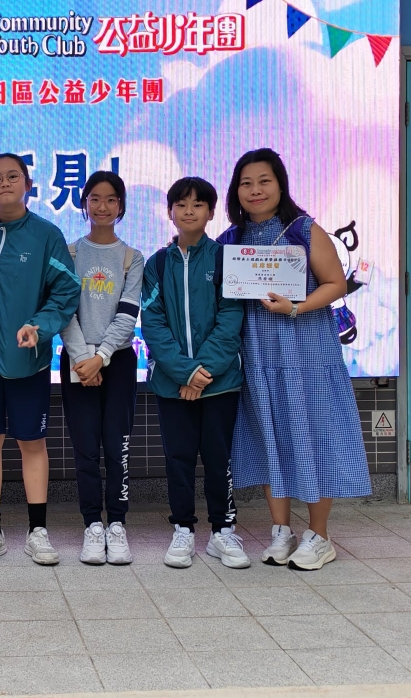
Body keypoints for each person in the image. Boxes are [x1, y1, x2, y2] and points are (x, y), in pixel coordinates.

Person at [220, 148, 370, 570]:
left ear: (280, 184)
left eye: (264, 181)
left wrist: (295, 307)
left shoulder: (303, 229)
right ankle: (281, 531)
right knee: (271, 439)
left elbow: (335, 282)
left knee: (315, 437)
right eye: (246, 183)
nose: (255, 190)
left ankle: (320, 536)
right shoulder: (231, 240)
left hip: (308, 354)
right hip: (259, 358)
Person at [0, 153, 81, 566]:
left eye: (13, 176)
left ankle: (38, 531)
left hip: (28, 360)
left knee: (32, 442)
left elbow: (66, 291)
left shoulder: (46, 235)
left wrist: (39, 326)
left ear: (29, 184)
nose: (5, 183)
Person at [141, 177, 247, 569]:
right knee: (179, 458)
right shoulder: (157, 264)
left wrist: (203, 372)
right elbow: (153, 323)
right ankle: (183, 529)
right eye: (181, 204)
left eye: (198, 204)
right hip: (172, 385)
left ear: (211, 212)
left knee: (219, 459)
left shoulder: (225, 259)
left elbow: (231, 318)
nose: (189, 211)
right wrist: (186, 374)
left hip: (220, 385)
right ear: (170, 211)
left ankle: (223, 531)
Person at [59, 171, 143, 565]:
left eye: (111, 199)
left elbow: (128, 313)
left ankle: (117, 524)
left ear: (121, 206)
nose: (102, 206)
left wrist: (101, 356)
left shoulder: (131, 257)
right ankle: (93, 524)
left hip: (118, 360)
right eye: (95, 198)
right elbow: (64, 309)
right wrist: (82, 358)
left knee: (116, 445)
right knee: (86, 447)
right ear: (84, 203)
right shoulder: (70, 253)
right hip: (78, 361)